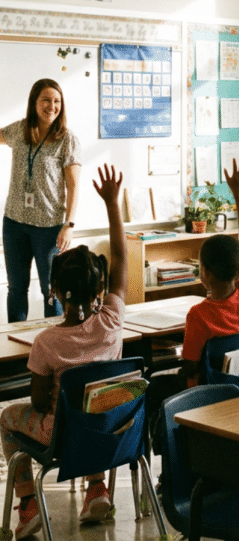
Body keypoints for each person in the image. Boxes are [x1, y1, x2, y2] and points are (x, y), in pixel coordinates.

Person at [0, 164, 126, 539]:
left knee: (7, 418)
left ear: (52, 291)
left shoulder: (46, 343)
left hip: (65, 436)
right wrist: (112, 204)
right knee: (90, 405)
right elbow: (120, 258)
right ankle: (97, 489)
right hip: (112, 428)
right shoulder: (113, 320)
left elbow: (39, 403)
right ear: (100, 289)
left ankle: (28, 504)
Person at [147, 157, 239, 455]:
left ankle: (162, 454)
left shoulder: (199, 315)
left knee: (153, 387)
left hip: (202, 395)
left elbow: (190, 366)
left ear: (205, 274)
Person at [0, 78, 81, 322]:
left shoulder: (67, 139)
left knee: (51, 292)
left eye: (57, 101)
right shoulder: (18, 130)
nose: (51, 106)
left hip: (49, 228)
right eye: (45, 100)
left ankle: (52, 347)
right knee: (16, 289)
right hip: (14, 223)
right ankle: (14, 350)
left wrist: (69, 224)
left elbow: (73, 185)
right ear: (34, 102)